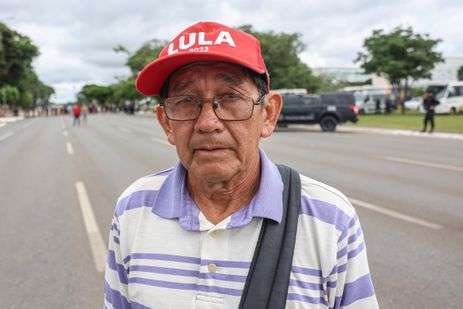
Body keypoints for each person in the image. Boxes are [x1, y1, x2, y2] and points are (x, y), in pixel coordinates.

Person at [104, 21, 378, 309]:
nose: (208, 123)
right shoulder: (134, 209)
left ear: (268, 115)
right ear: (166, 123)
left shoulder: (330, 219)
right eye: (187, 101)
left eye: (231, 98)